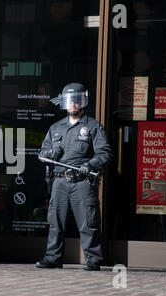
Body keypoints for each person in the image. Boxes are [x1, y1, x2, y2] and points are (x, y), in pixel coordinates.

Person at [35, 83, 112, 271]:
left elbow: (104, 153)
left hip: (82, 181)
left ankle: (93, 259)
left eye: (77, 101)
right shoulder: (55, 128)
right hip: (59, 181)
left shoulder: (93, 126)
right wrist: (51, 153)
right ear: (64, 103)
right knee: (55, 222)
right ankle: (53, 258)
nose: (73, 105)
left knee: (88, 221)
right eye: (70, 101)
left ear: (82, 102)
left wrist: (90, 165)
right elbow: (42, 152)